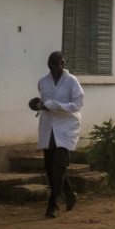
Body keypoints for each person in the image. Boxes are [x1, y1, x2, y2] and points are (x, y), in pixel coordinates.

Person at [30, 51, 84, 218]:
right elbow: (42, 101)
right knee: (50, 168)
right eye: (52, 66)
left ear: (63, 64)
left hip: (66, 127)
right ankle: (69, 192)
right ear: (49, 66)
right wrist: (38, 105)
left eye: (58, 65)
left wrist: (56, 106)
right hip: (49, 128)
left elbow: (77, 104)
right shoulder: (43, 82)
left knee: (59, 165)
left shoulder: (71, 81)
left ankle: (53, 204)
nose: (56, 68)